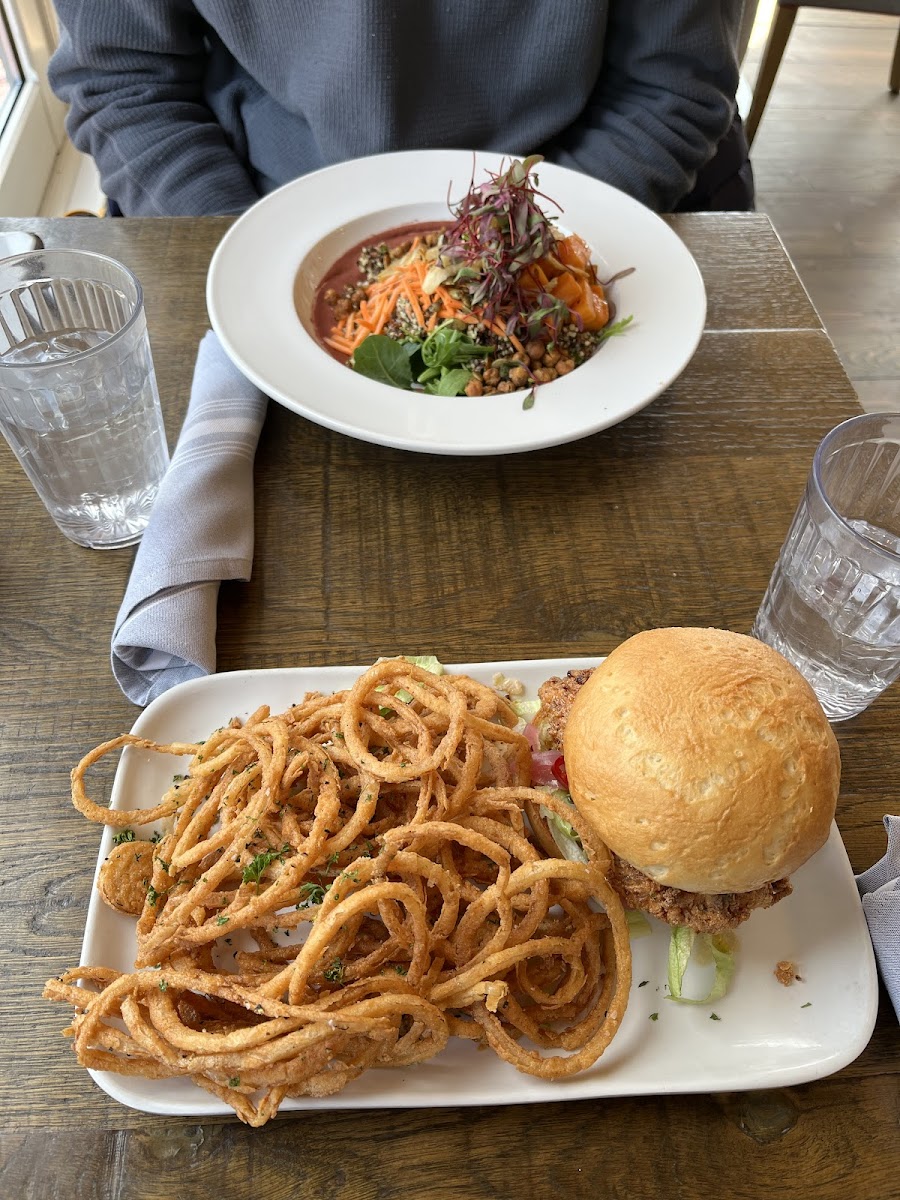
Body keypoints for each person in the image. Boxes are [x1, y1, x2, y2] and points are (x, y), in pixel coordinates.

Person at [47, 1, 753, 218]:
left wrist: (514, 253)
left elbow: (672, 88)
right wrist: (242, 257)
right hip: (252, 205)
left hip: (583, 193)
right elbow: (123, 79)